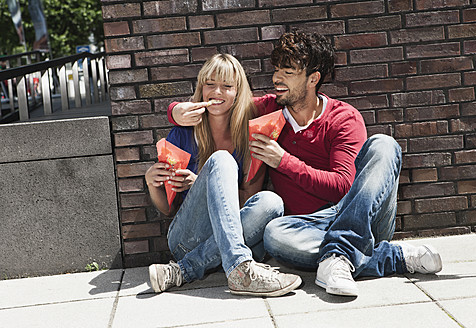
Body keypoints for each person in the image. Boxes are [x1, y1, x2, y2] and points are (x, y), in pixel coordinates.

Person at [167, 32, 442, 297]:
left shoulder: (344, 118)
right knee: (274, 234)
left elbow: (344, 187)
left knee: (383, 144)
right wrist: (175, 111)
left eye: (288, 72)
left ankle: (342, 251)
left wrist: (283, 161)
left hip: (358, 218)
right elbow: (224, 100)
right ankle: (371, 257)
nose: (277, 78)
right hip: (305, 229)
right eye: (277, 69)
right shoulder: (267, 109)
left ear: (313, 79)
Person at [146, 54, 302, 297]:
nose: (216, 91)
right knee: (221, 159)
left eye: (227, 86)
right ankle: (239, 267)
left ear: (237, 92)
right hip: (187, 239)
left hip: (226, 239)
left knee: (272, 203)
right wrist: (152, 183)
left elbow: (249, 199)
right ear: (201, 88)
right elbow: (167, 208)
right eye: (210, 84)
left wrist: (204, 183)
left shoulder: (251, 136)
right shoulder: (182, 133)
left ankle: (183, 271)